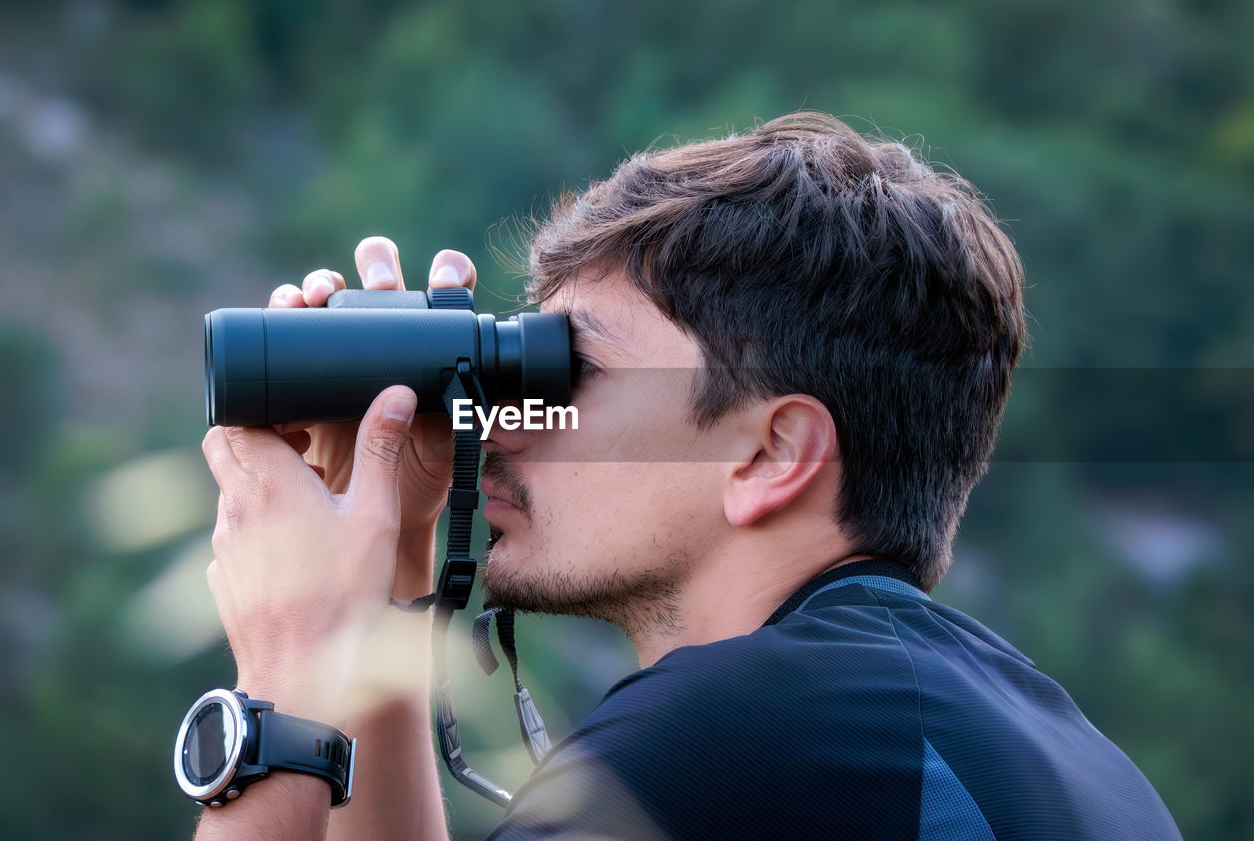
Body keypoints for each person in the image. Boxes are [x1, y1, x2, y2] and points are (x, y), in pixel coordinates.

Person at [191, 112, 1181, 839]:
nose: (503, 422)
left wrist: (282, 672)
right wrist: (388, 589)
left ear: (769, 454)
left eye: (569, 372)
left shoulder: (730, 735)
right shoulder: (1051, 746)